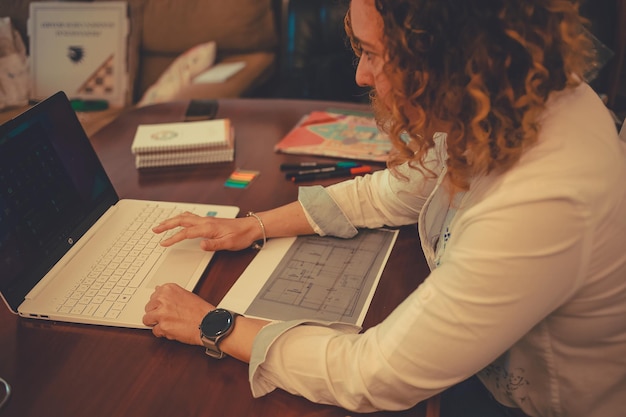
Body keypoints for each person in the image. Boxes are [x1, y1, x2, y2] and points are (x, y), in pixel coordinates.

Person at [142, 1, 626, 416]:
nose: (360, 74)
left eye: (372, 53)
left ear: (450, 55)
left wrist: (216, 325)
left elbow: (370, 375)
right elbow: (392, 192)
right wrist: (252, 226)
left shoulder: (542, 196)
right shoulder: (507, 99)